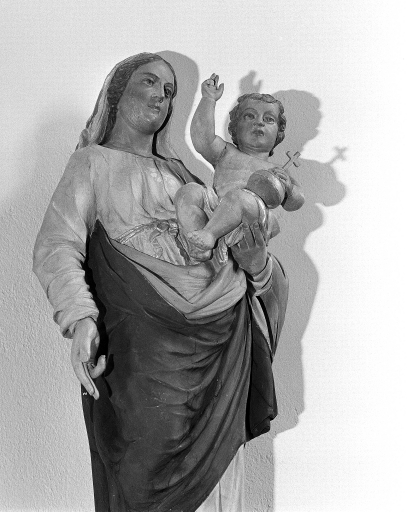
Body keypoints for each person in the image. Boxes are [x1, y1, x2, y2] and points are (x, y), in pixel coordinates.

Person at [33, 53, 289, 512]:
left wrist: (258, 267)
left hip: (221, 341)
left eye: (169, 91)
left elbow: (234, 240)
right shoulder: (92, 163)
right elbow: (56, 245)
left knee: (218, 486)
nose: (160, 96)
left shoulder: (181, 174)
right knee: (141, 471)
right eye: (149, 82)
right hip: (145, 350)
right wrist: (80, 318)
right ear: (117, 92)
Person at [175, 74, 304, 262]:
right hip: (216, 209)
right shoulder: (226, 152)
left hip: (250, 219)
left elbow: (296, 202)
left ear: (279, 132)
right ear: (235, 127)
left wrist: (289, 188)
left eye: (268, 119)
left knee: (239, 197)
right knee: (189, 191)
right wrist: (208, 99)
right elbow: (202, 138)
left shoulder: (276, 169)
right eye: (249, 116)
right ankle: (197, 241)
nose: (259, 122)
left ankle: (209, 235)